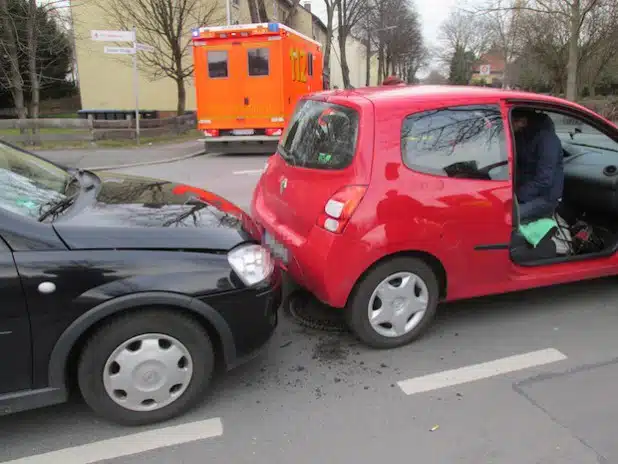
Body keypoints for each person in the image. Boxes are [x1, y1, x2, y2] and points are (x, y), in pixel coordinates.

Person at [512, 108, 564, 223]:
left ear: (522, 122)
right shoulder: (522, 135)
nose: (509, 127)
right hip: (526, 190)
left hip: (545, 198)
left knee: (509, 216)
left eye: (511, 122)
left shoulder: (548, 140)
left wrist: (517, 196)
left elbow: (544, 180)